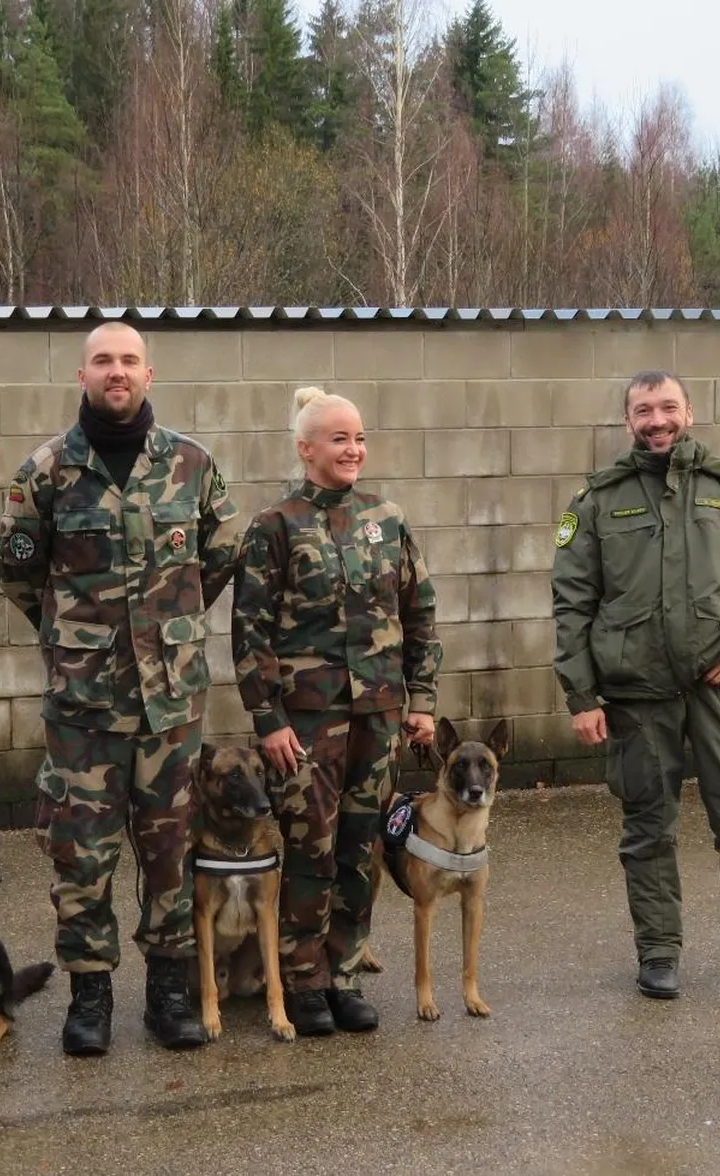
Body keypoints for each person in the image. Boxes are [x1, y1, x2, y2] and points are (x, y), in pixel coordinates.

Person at [0, 321, 240, 1056]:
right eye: (103, 360)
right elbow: (18, 573)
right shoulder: (45, 472)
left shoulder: (192, 465)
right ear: (82, 376)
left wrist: (167, 626)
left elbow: (221, 554)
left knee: (169, 852)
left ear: (149, 373)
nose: (116, 371)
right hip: (83, 707)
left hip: (170, 705)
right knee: (83, 852)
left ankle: (168, 994)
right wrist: (76, 634)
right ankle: (89, 996)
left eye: (129, 360)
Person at [551, 370, 720, 1002]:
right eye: (643, 410)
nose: (656, 419)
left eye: (667, 407)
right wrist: (581, 698)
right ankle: (658, 953)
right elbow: (571, 605)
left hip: (719, 691)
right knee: (647, 829)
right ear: (627, 421)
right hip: (637, 698)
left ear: (689, 412)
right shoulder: (597, 501)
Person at [231, 386, 441, 1036]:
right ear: (306, 448)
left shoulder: (387, 518)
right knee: (309, 848)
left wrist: (423, 701)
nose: (354, 450)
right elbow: (250, 635)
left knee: (359, 847)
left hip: (378, 716)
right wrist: (268, 721)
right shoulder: (274, 526)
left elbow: (419, 613)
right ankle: (303, 981)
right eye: (339, 439)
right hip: (306, 720)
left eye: (359, 438)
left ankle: (344, 972)